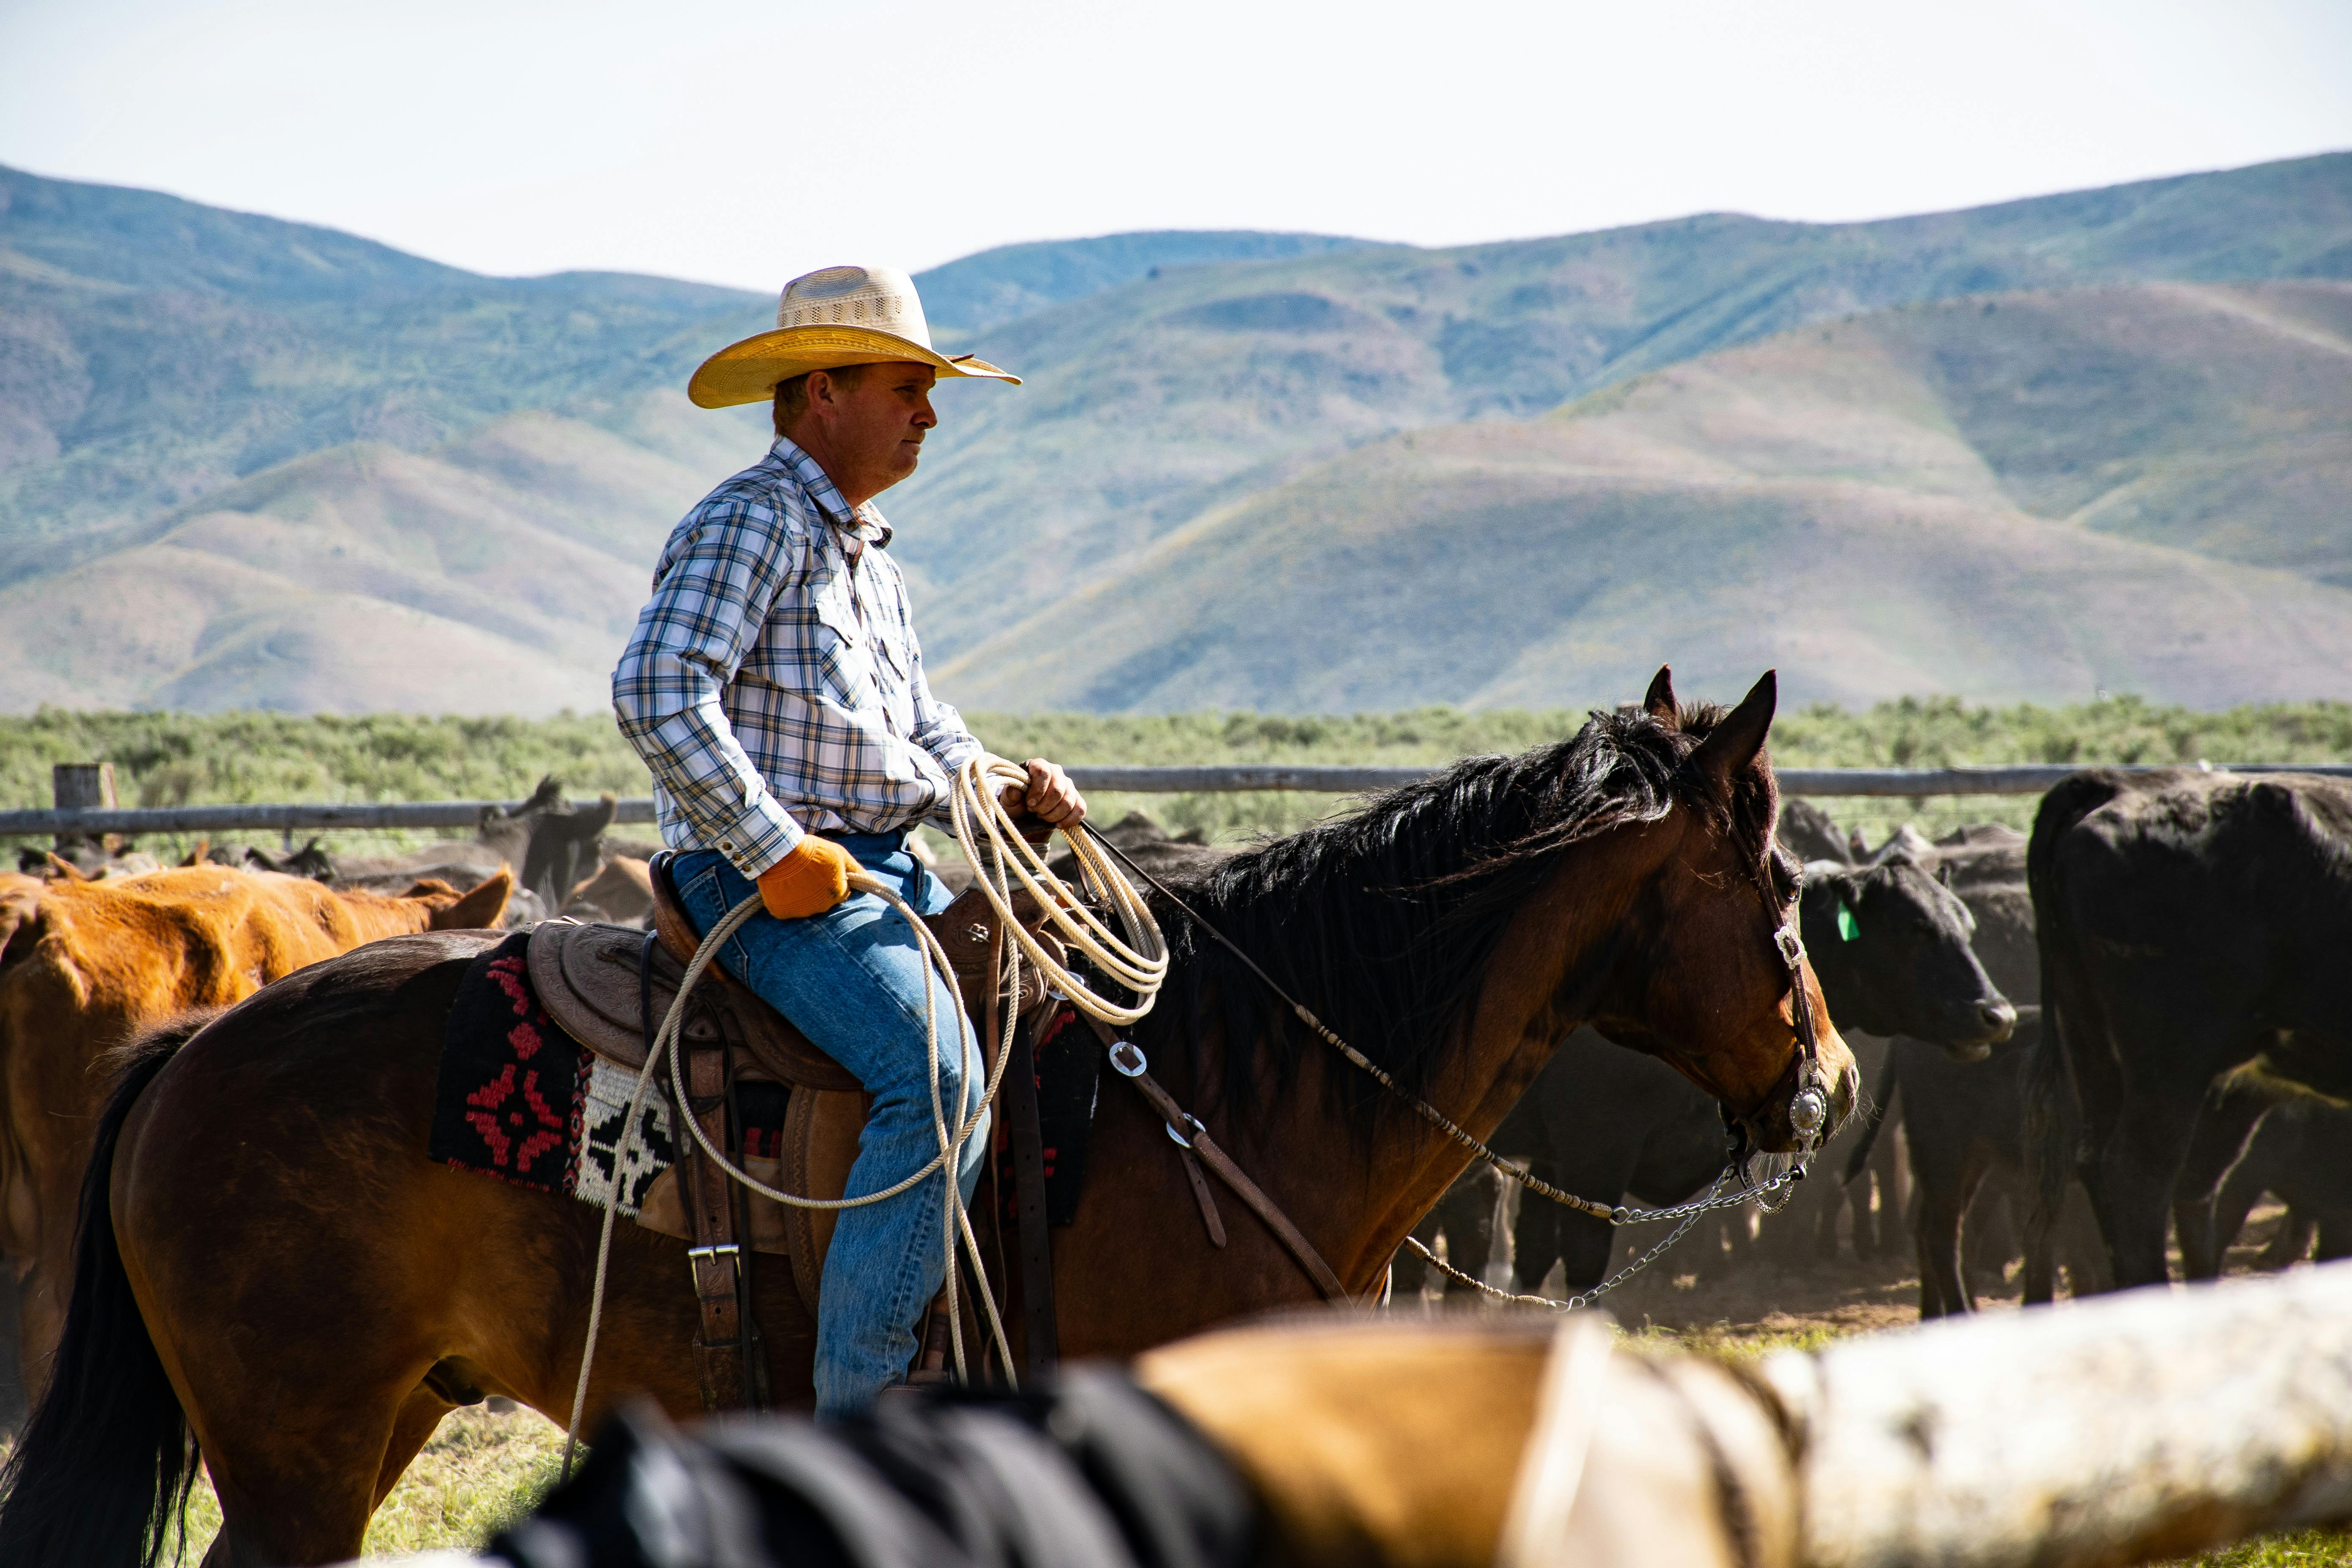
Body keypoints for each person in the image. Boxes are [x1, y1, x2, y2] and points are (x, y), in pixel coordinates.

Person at [612, 263, 1088, 1418]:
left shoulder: (871, 557)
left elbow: (924, 724)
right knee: (932, 1082)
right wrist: (772, 849)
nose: (930, 412)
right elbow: (657, 688)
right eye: (908, 385)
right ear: (823, 391)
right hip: (756, 881)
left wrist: (999, 784)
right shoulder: (750, 521)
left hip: (877, 869)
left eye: (932, 389)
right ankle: (858, 1427)